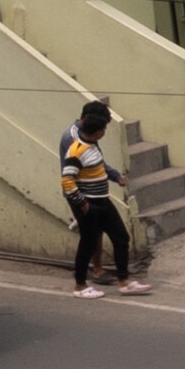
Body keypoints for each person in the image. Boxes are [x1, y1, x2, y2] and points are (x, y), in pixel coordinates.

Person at [60, 101, 142, 296]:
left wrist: (114, 177)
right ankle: (81, 284)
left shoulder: (90, 142)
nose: (104, 131)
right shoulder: (74, 144)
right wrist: (83, 204)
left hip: (101, 199)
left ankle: (124, 281)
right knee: (89, 240)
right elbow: (68, 179)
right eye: (104, 127)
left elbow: (98, 164)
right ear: (97, 131)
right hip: (87, 200)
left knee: (120, 237)